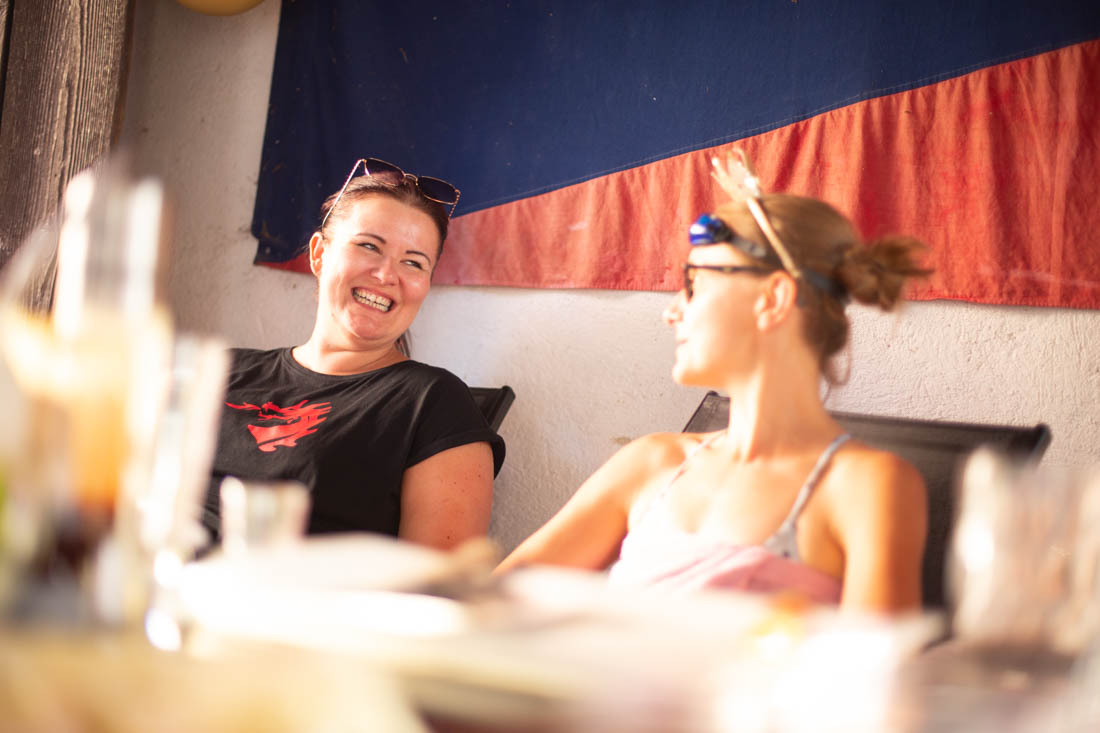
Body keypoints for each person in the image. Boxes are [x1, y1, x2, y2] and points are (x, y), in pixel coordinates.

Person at [497, 151, 930, 614]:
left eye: (694, 285)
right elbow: (489, 600)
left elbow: (875, 659)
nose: (671, 312)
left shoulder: (867, 486)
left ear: (773, 298)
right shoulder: (651, 462)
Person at [203, 158, 505, 551]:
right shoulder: (222, 369)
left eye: (413, 262)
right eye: (368, 246)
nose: (386, 275)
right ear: (319, 254)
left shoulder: (433, 402)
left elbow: (441, 580)